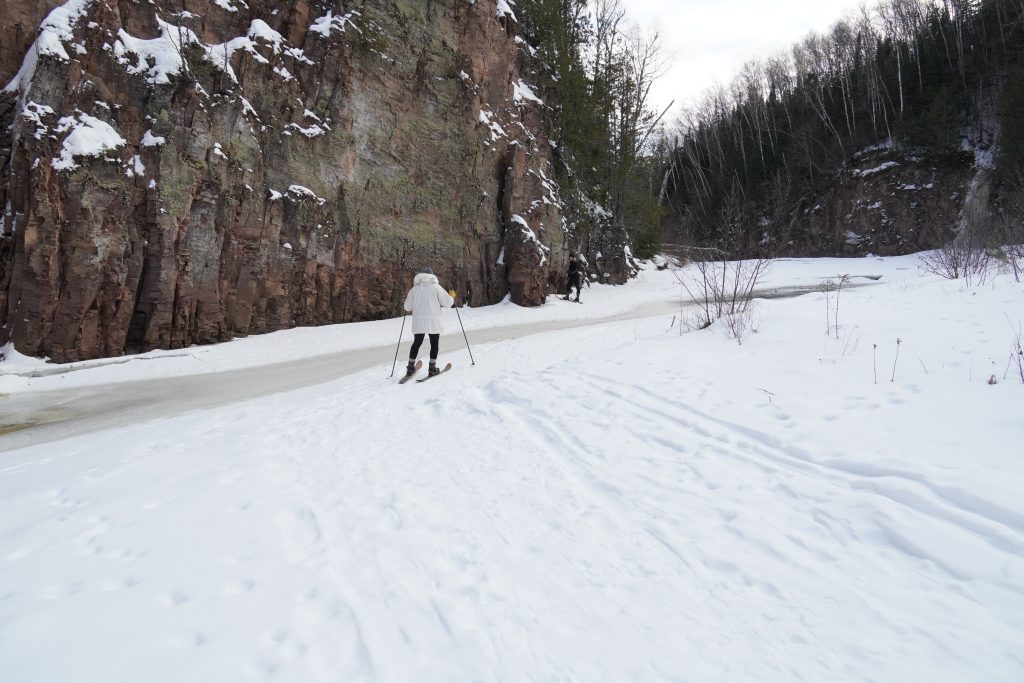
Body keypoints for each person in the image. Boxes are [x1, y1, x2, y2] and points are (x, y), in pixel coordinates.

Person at [403, 268, 455, 377]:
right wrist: (451, 296)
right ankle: (432, 368)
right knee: (434, 344)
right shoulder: (436, 288)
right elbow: (448, 303)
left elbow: (407, 307)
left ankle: (410, 368)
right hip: (433, 321)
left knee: (417, 343)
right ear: (432, 276)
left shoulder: (414, 289)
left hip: (419, 321)